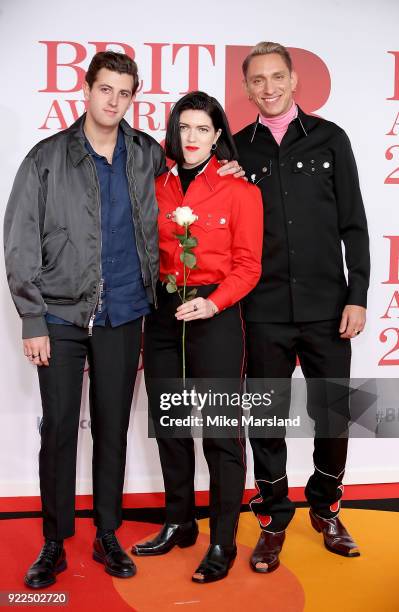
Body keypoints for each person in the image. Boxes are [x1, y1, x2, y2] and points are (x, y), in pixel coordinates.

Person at [3, 52, 241, 589]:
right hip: (61, 315)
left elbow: (191, 182)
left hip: (126, 313)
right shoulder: (46, 157)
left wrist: (228, 164)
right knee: (60, 429)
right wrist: (31, 318)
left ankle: (107, 533)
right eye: (104, 89)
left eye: (124, 93)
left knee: (111, 429)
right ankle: (52, 542)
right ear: (85, 90)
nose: (113, 101)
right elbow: (18, 241)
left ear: (133, 98)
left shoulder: (145, 155)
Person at [234, 42, 370, 573]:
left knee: (334, 415)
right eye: (258, 80)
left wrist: (357, 295)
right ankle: (273, 520)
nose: (268, 88)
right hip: (262, 308)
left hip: (327, 308)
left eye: (277, 77)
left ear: (294, 81)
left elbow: (354, 224)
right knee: (264, 418)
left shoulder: (331, 139)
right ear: (246, 89)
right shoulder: (237, 150)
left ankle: (327, 506)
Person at [131, 91, 263, 583]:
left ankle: (223, 539)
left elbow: (250, 265)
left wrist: (214, 301)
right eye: (184, 128)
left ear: (217, 135)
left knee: (221, 435)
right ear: (174, 131)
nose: (191, 138)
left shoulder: (240, 190)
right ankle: (178, 522)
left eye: (202, 129)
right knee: (170, 426)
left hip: (215, 313)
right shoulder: (155, 182)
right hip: (164, 314)